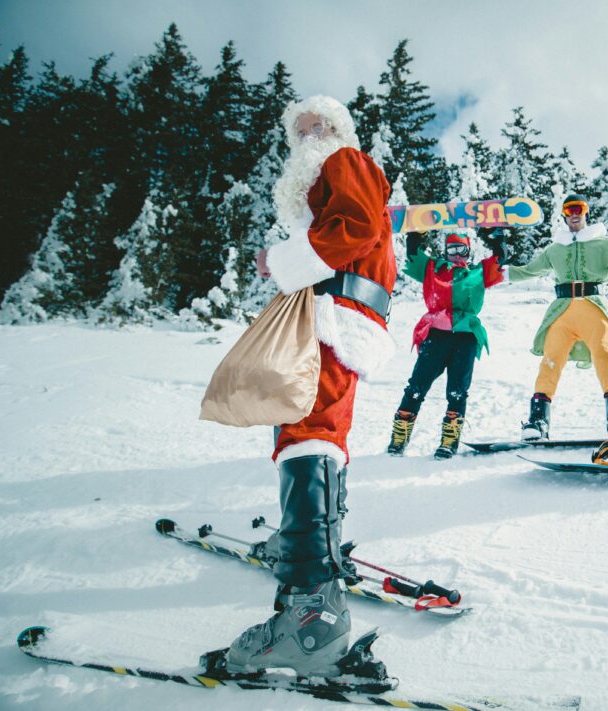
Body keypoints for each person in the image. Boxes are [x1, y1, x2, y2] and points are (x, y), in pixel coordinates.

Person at [222, 95, 396, 679]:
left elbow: (356, 228)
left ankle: (309, 612)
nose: (311, 135)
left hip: (331, 313)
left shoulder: (345, 161)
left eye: (321, 125)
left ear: (340, 131)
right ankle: (316, 557)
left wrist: (281, 261)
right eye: (301, 130)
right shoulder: (329, 177)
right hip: (343, 313)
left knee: (303, 429)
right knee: (320, 434)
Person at [507, 194, 608, 465]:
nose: (575, 213)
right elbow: (528, 271)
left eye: (579, 208)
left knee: (605, 354)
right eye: (569, 210)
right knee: (550, 362)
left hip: (594, 306)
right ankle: (537, 422)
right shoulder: (554, 249)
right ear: (564, 215)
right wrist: (498, 268)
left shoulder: (605, 243)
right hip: (561, 310)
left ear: (586, 212)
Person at [387, 230, 507, 459]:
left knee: (457, 391)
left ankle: (449, 441)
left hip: (466, 336)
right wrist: (416, 233)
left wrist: (497, 241)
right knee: (416, 387)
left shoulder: (478, 272)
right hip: (436, 334)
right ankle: (399, 438)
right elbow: (412, 255)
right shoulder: (433, 268)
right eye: (451, 249)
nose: (455, 254)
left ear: (468, 250)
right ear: (445, 251)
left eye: (460, 249)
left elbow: (500, 261)